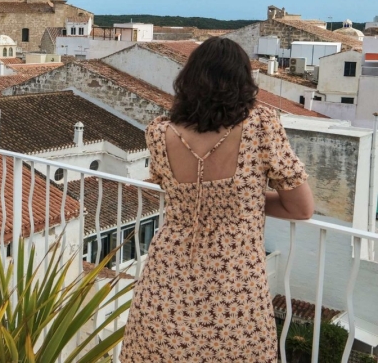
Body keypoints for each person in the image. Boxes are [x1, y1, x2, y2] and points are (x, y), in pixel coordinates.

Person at [120, 37, 314, 362]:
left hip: (166, 280)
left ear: (189, 80)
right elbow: (301, 207)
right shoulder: (261, 126)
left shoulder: (160, 132)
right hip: (233, 285)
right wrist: (244, 200)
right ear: (243, 81)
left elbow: (169, 188)